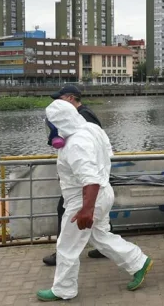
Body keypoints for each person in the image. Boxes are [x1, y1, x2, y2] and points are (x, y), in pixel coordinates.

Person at [36, 100, 152, 301]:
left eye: (50, 126)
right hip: (101, 192)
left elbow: (89, 178)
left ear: (57, 124)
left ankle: (63, 289)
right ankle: (138, 261)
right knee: (99, 236)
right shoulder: (90, 129)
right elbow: (107, 154)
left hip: (85, 199)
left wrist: (86, 209)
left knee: (67, 245)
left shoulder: (75, 145)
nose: (49, 130)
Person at [42, 84, 106, 266]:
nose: (57, 104)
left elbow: (86, 149)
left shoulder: (82, 117)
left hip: (84, 177)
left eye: (59, 99)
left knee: (65, 210)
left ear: (70, 98)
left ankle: (62, 253)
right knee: (100, 216)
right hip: (86, 175)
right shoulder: (85, 114)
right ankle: (105, 248)